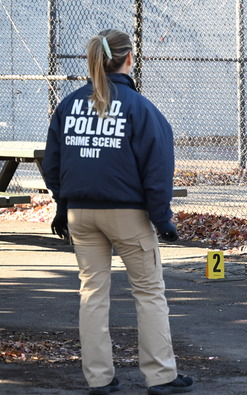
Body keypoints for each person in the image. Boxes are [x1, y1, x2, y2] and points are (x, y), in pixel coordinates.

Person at [42, 29, 193, 395]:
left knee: (92, 293)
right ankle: (160, 376)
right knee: (148, 292)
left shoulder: (70, 104)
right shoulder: (139, 108)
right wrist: (162, 218)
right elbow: (157, 168)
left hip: (81, 213)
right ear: (129, 59)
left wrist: (63, 203)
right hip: (128, 214)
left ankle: (99, 378)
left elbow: (52, 161)